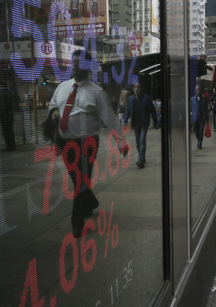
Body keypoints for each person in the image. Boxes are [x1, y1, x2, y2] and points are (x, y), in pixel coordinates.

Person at [49, 49, 127, 237]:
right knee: (78, 180)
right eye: (73, 61)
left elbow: (110, 119)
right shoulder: (62, 87)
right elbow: (53, 104)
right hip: (66, 142)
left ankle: (77, 221)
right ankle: (90, 202)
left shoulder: (97, 92)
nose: (75, 65)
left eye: (79, 62)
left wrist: (121, 142)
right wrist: (53, 113)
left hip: (87, 143)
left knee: (81, 180)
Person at [123, 83, 159, 168]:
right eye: (135, 87)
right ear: (133, 89)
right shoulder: (131, 99)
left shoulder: (146, 98)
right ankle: (141, 158)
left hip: (144, 123)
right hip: (135, 123)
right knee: (138, 143)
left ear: (141, 89)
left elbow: (152, 111)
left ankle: (141, 160)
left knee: (142, 140)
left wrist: (156, 123)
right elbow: (127, 110)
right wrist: (125, 121)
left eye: (138, 87)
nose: (137, 89)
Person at [190, 84, 210, 149]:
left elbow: (206, 108)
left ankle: (199, 142)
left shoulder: (204, 98)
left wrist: (206, 117)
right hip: (196, 117)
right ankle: (199, 139)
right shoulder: (192, 99)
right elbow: (191, 108)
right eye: (196, 90)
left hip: (202, 117)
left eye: (198, 89)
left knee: (201, 130)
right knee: (197, 131)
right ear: (195, 90)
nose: (198, 91)